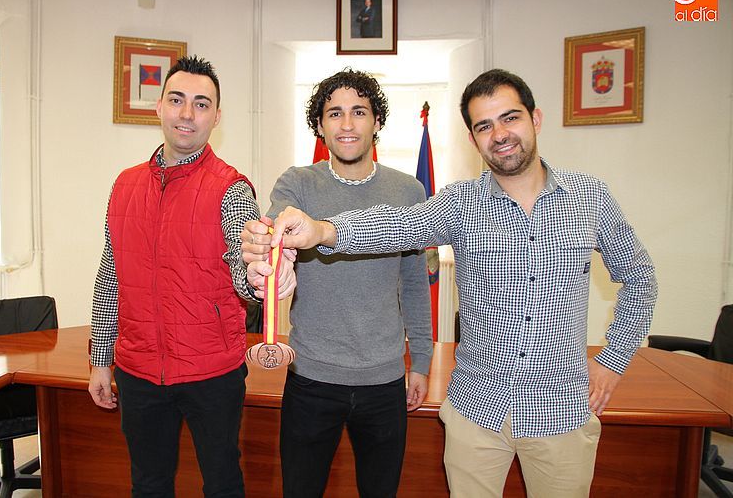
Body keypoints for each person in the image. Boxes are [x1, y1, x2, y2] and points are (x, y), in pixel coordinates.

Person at [261, 69, 658, 497]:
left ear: (536, 119)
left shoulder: (590, 197)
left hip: (560, 413)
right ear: (473, 138)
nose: (499, 134)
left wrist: (612, 361)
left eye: (510, 118)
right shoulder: (460, 202)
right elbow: (397, 226)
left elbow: (640, 278)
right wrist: (323, 231)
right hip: (477, 413)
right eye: (484, 126)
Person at [87, 55, 295, 497]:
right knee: (148, 484)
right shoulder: (124, 185)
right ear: (158, 106)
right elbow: (110, 276)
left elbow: (243, 270)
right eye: (177, 100)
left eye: (201, 104)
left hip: (211, 373)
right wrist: (100, 361)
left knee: (222, 484)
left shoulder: (231, 188)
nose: (187, 113)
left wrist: (258, 275)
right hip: (139, 370)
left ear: (216, 117)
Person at [241, 68, 432, 497]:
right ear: (320, 124)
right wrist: (263, 253)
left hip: (384, 381)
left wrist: (420, 360)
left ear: (377, 121)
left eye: (359, 112)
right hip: (311, 378)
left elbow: (414, 281)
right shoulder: (297, 183)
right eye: (335, 113)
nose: (347, 124)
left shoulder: (409, 191)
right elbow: (274, 238)